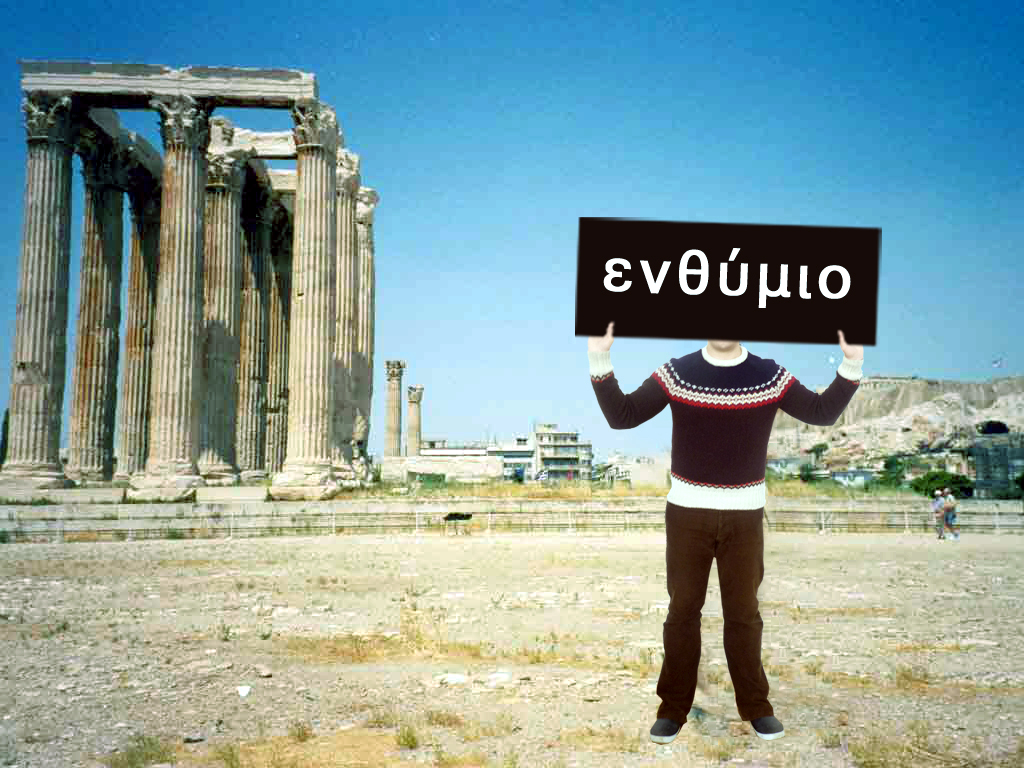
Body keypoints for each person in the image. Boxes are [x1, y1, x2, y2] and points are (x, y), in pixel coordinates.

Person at [588, 325, 863, 744]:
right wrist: (600, 358)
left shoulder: (769, 375)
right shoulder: (676, 373)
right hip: (686, 516)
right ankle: (673, 710)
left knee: (744, 616)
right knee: (682, 614)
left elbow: (822, 412)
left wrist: (851, 362)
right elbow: (622, 416)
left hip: (745, 518)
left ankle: (756, 708)